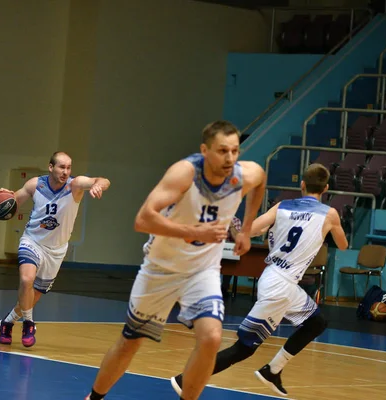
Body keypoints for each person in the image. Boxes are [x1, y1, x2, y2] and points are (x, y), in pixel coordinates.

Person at [85, 120, 266, 400]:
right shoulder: (185, 173)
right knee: (130, 343)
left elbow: (260, 181)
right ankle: (94, 397)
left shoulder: (244, 174)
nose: (230, 158)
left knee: (212, 338)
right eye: (222, 151)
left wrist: (245, 230)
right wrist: (196, 232)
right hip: (161, 268)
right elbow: (142, 219)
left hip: (202, 271)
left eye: (234, 151)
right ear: (205, 150)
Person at [170, 163, 348, 398]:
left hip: (276, 277)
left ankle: (272, 371)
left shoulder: (282, 206)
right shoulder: (330, 214)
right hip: (281, 286)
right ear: (325, 188)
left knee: (317, 322)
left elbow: (252, 230)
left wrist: (234, 222)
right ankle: (186, 380)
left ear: (302, 184)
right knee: (242, 349)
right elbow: (343, 245)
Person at [0, 151, 110, 348]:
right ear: (51, 167)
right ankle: (29, 323)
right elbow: (13, 201)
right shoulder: (35, 184)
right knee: (26, 279)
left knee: (34, 294)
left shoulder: (75, 185)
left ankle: (7, 322)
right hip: (33, 241)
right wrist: (5, 196)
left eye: (68, 167)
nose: (65, 171)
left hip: (56, 250)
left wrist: (98, 185)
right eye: (61, 167)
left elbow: (103, 180)